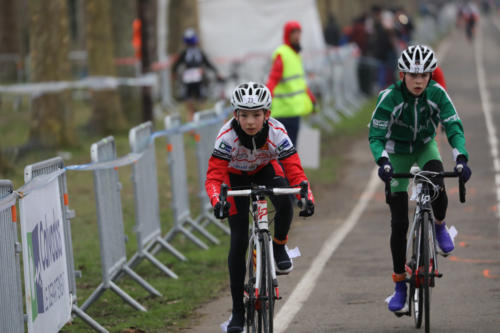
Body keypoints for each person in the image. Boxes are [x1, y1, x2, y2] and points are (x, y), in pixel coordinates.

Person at [368, 45, 472, 313]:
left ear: (430, 76)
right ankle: (400, 285)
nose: (418, 81)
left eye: (424, 75)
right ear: (402, 74)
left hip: (425, 145)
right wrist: (383, 162)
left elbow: (453, 126)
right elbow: (376, 137)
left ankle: (439, 226)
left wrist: (461, 158)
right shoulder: (389, 97)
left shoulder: (437, 94)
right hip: (397, 151)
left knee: (437, 184)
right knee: (399, 223)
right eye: (413, 75)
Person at [205, 82, 315, 332]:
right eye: (244, 115)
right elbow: (213, 178)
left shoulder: (277, 132)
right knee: (239, 239)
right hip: (234, 177)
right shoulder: (226, 138)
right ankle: (237, 312)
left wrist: (307, 198)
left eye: (256, 115)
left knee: (286, 201)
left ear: (267, 114)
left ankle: (278, 247)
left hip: (265, 169)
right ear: (235, 115)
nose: (251, 121)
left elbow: (295, 172)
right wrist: (217, 201)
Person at [266, 21, 316, 146]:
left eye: (299, 32)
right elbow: (272, 80)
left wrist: (312, 100)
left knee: (291, 150)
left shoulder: (296, 54)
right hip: (283, 113)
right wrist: (265, 102)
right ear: (287, 34)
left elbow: (300, 83)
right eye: (294, 32)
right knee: (283, 151)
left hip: (294, 112)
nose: (297, 36)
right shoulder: (282, 54)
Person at [171, 28, 222, 119]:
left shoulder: (187, 52)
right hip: (194, 80)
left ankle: (196, 119)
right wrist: (216, 72)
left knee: (192, 101)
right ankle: (198, 119)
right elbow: (208, 63)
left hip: (192, 80)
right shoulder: (196, 52)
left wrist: (174, 73)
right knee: (196, 100)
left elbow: (176, 64)